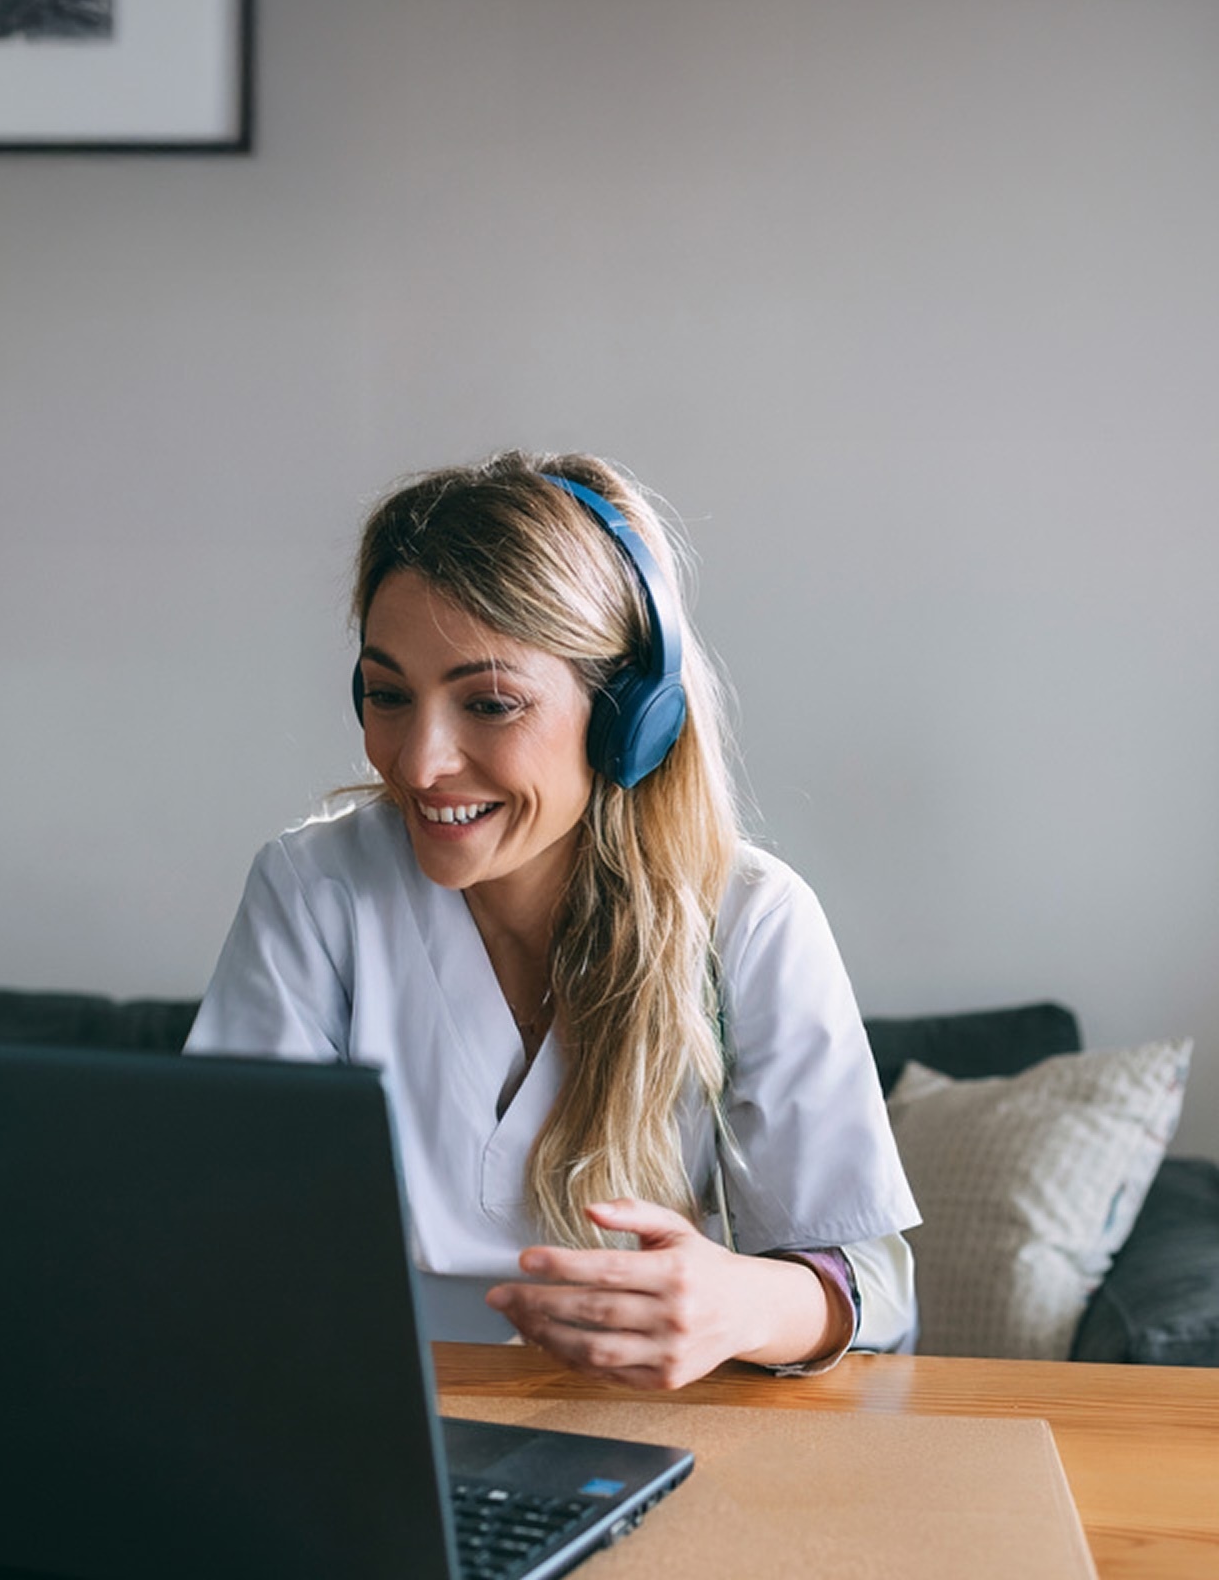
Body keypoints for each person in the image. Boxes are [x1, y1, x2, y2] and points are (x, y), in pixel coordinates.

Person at [186, 451, 918, 1391]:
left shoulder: (748, 921)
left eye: (490, 703)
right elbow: (215, 1230)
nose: (418, 763)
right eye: (388, 695)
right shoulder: (315, 888)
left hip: (645, 1432)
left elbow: (875, 1290)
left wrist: (742, 1304)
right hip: (360, 1416)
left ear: (626, 717)